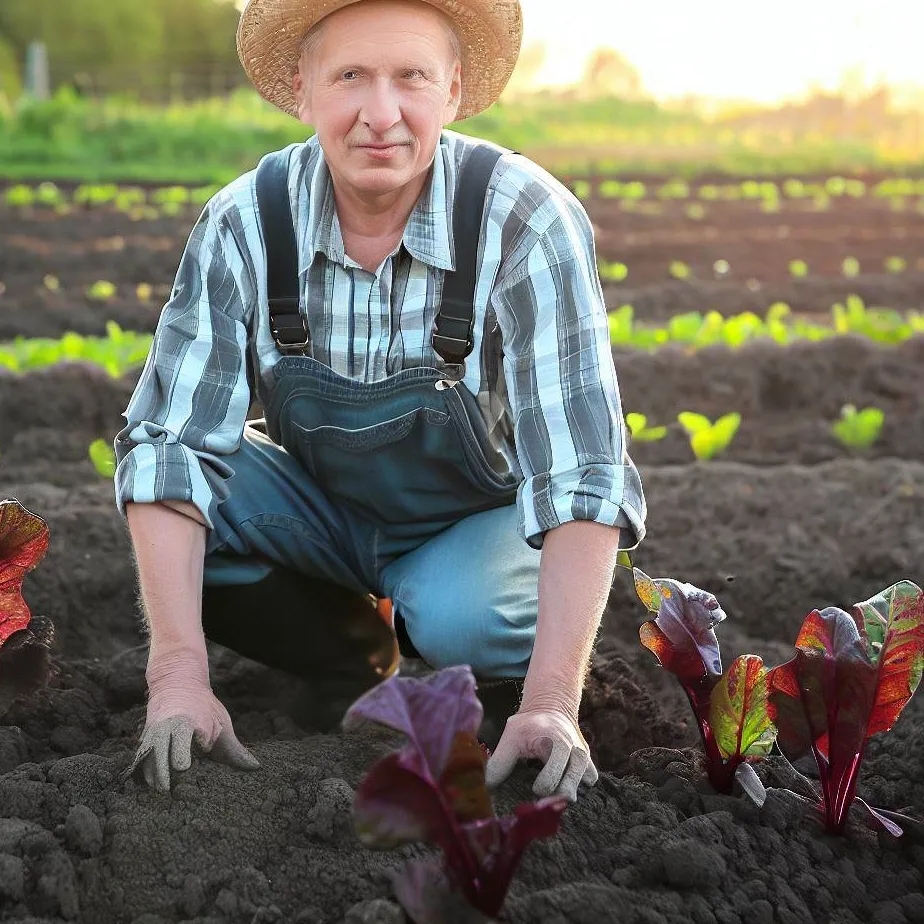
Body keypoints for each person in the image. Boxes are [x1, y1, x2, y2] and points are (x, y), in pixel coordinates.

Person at [115, 0, 647, 804]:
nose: (381, 114)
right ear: (303, 90)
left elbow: (582, 471)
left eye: (411, 78)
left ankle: (499, 684)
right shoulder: (244, 224)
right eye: (351, 77)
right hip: (322, 509)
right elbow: (171, 447)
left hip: (476, 526)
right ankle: (350, 658)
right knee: (163, 487)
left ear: (455, 89)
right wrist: (178, 677)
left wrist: (553, 702)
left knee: (459, 615)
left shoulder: (524, 220)